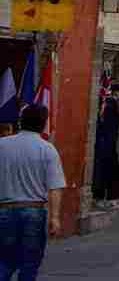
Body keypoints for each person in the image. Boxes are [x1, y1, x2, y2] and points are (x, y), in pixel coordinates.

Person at [0, 105, 65, 280]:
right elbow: (55, 187)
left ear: (21, 122)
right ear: (43, 124)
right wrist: (55, 218)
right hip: (33, 212)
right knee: (29, 264)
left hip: (4, 210)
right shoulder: (47, 149)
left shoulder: (2, 145)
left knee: (4, 262)